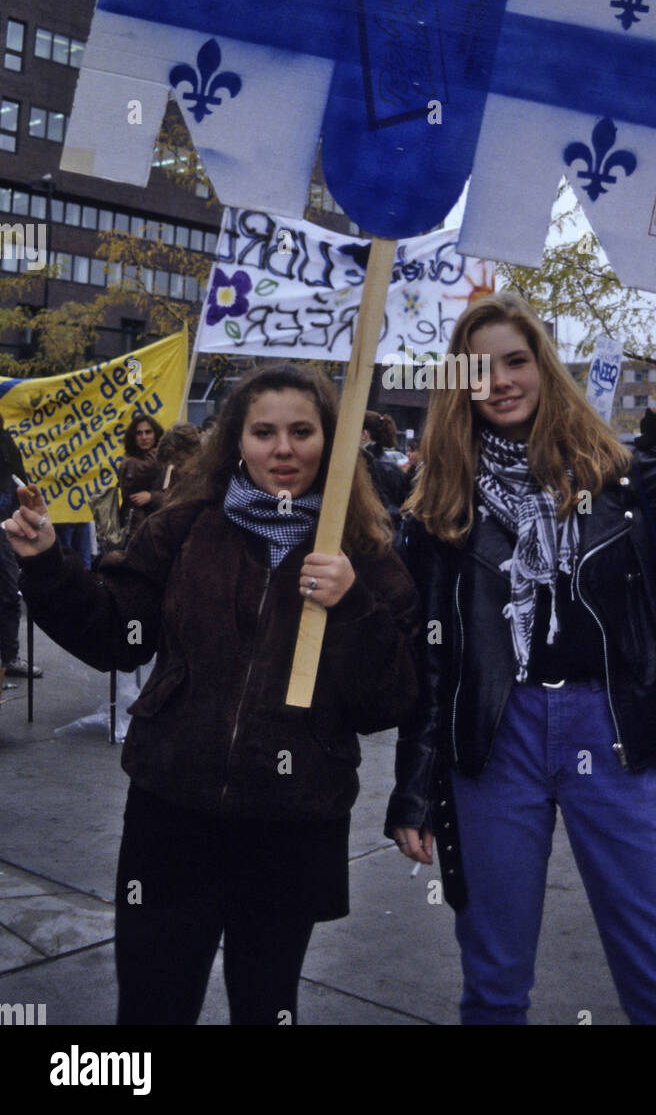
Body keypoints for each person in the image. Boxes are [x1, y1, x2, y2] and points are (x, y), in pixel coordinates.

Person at [387, 294, 656, 1024]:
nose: (500, 381)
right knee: (495, 984)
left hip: (614, 728)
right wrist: (413, 787)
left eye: (516, 361)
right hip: (493, 739)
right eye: (480, 368)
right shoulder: (438, 505)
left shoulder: (622, 477)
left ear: (545, 367)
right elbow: (431, 663)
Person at [4, 362, 419, 1026]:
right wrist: (50, 564)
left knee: (265, 1006)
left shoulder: (365, 552)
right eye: (264, 431)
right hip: (173, 813)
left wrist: (352, 608)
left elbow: (390, 701)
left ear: (332, 441)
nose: (282, 448)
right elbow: (120, 636)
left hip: (293, 822)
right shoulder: (184, 527)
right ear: (236, 442)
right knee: (152, 1008)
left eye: (302, 431)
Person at [0, 415, 40, 680]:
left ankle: (9, 657)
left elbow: (21, 482)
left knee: (8, 593)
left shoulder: (5, 443)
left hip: (2, 527)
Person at [118, 415, 165, 541]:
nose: (144, 437)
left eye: (148, 432)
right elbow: (145, 468)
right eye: (139, 433)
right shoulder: (129, 463)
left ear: (155, 434)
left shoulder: (166, 463)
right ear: (133, 437)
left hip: (160, 526)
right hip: (135, 528)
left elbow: (173, 495)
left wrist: (152, 497)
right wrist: (162, 449)